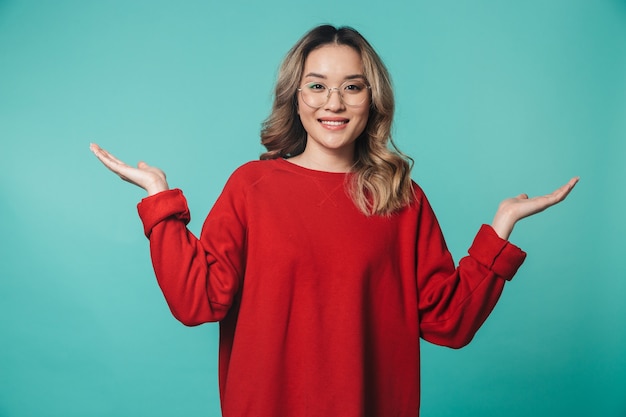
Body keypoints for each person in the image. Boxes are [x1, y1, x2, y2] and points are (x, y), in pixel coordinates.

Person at [90, 25, 578, 417]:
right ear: (295, 97)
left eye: (352, 87)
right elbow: (199, 300)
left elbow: (446, 321)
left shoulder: (401, 198)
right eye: (317, 86)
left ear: (373, 98)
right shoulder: (252, 188)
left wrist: (500, 228)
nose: (334, 103)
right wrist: (159, 200)